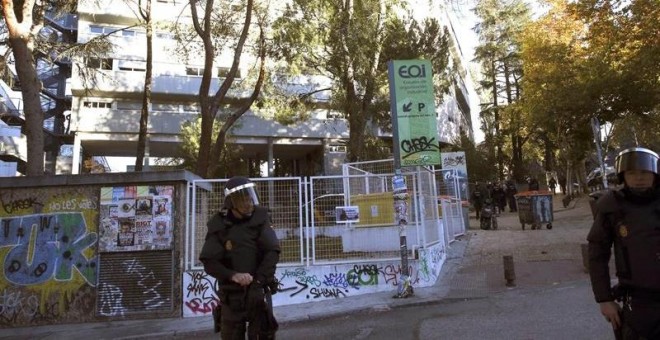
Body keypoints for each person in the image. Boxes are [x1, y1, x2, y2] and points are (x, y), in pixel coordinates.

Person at [587, 147, 660, 339]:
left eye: (644, 172)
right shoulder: (612, 206)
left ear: (655, 173)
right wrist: (604, 299)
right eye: (632, 173)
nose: (639, 178)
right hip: (637, 304)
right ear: (623, 176)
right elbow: (597, 254)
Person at [199, 176, 281, 339]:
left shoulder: (260, 218)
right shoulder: (219, 225)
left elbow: (272, 251)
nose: (248, 202)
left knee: (262, 333)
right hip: (231, 295)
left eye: (250, 197)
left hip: (257, 291)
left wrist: (258, 281)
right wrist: (233, 275)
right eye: (242, 199)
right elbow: (209, 261)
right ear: (230, 202)